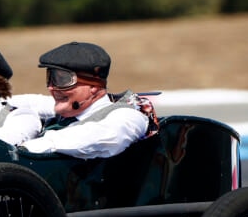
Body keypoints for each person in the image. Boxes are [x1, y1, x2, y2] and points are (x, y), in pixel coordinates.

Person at [17, 41, 152, 159]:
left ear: (93, 86)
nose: (52, 87)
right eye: (50, 78)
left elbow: (105, 135)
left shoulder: (128, 116)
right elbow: (31, 102)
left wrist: (29, 148)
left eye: (62, 79)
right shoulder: (69, 109)